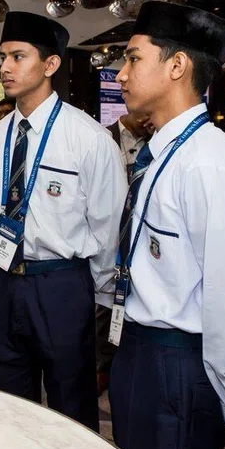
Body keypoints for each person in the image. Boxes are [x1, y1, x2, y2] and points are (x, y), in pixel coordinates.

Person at [111, 1, 225, 449]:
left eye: (134, 58)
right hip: (139, 350)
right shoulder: (163, 151)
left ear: (177, 65)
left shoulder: (209, 163)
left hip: (177, 365)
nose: (120, 75)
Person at [0, 11, 127, 431]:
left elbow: (108, 228)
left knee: (70, 408)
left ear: (51, 64)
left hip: (60, 284)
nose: (5, 67)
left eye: (18, 56)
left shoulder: (90, 139)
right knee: (6, 404)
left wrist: (92, 298)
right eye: (3, 56)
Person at [95, 111, 153, 395]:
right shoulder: (101, 137)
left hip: (142, 235)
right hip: (107, 235)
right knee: (104, 304)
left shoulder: (158, 141)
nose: (147, 121)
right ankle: (101, 367)